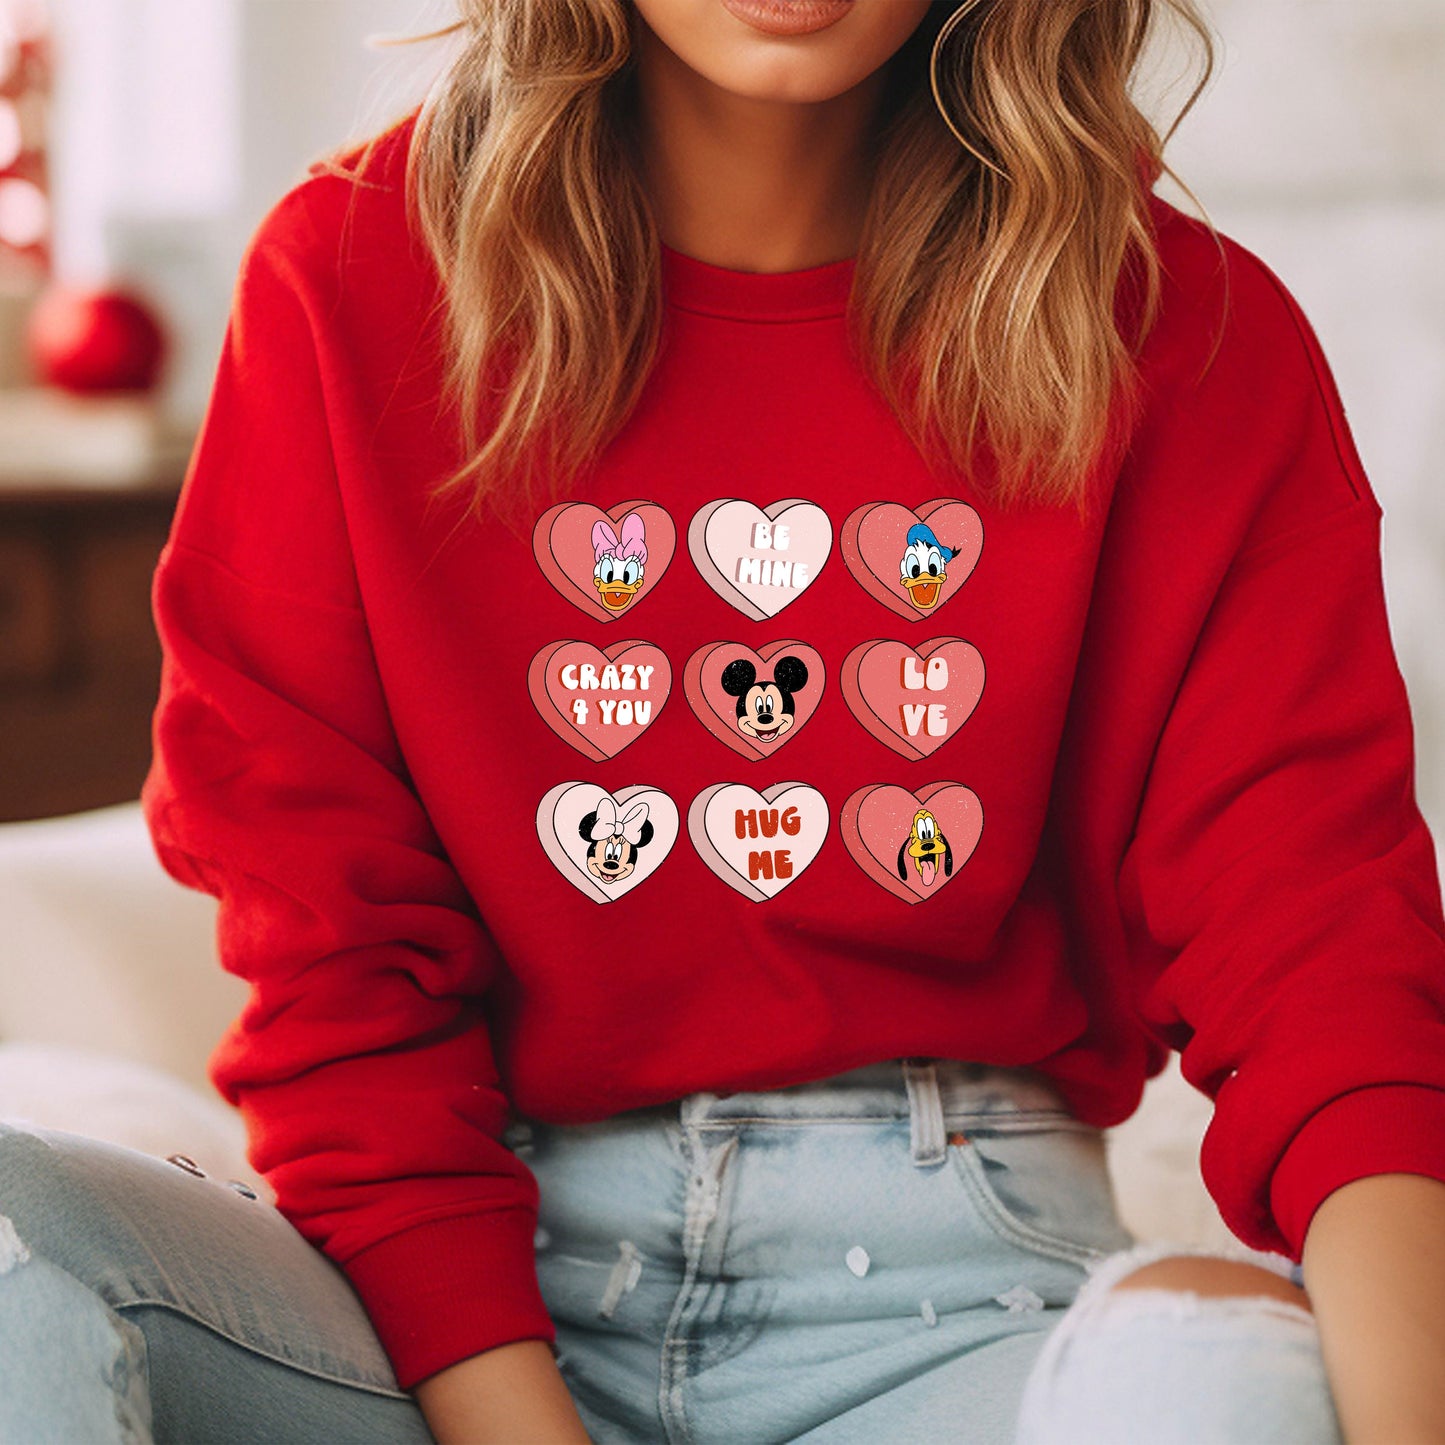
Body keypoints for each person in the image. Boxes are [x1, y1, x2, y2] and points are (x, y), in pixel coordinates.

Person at [2, 0, 1443, 1440]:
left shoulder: (1188, 337)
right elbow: (332, 956)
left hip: (968, 1306)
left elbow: (1325, 970)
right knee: (20, 1235)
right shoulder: (344, 282)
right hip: (442, 1332)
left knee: (1214, 1372)